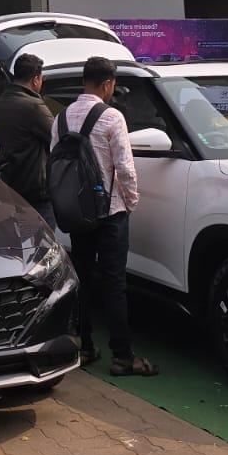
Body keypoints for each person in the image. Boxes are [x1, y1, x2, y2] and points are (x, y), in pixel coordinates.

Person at [63, 56, 159, 378]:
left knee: (84, 278)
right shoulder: (111, 116)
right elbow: (125, 168)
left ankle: (86, 346)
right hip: (110, 212)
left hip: (78, 212)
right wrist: (129, 203)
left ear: (83, 81)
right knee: (114, 283)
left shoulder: (61, 118)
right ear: (107, 84)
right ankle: (123, 356)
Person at [0, 52, 55, 227]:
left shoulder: (3, 101)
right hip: (35, 187)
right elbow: (56, 138)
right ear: (35, 79)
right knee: (43, 240)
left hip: (12, 183)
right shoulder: (33, 105)